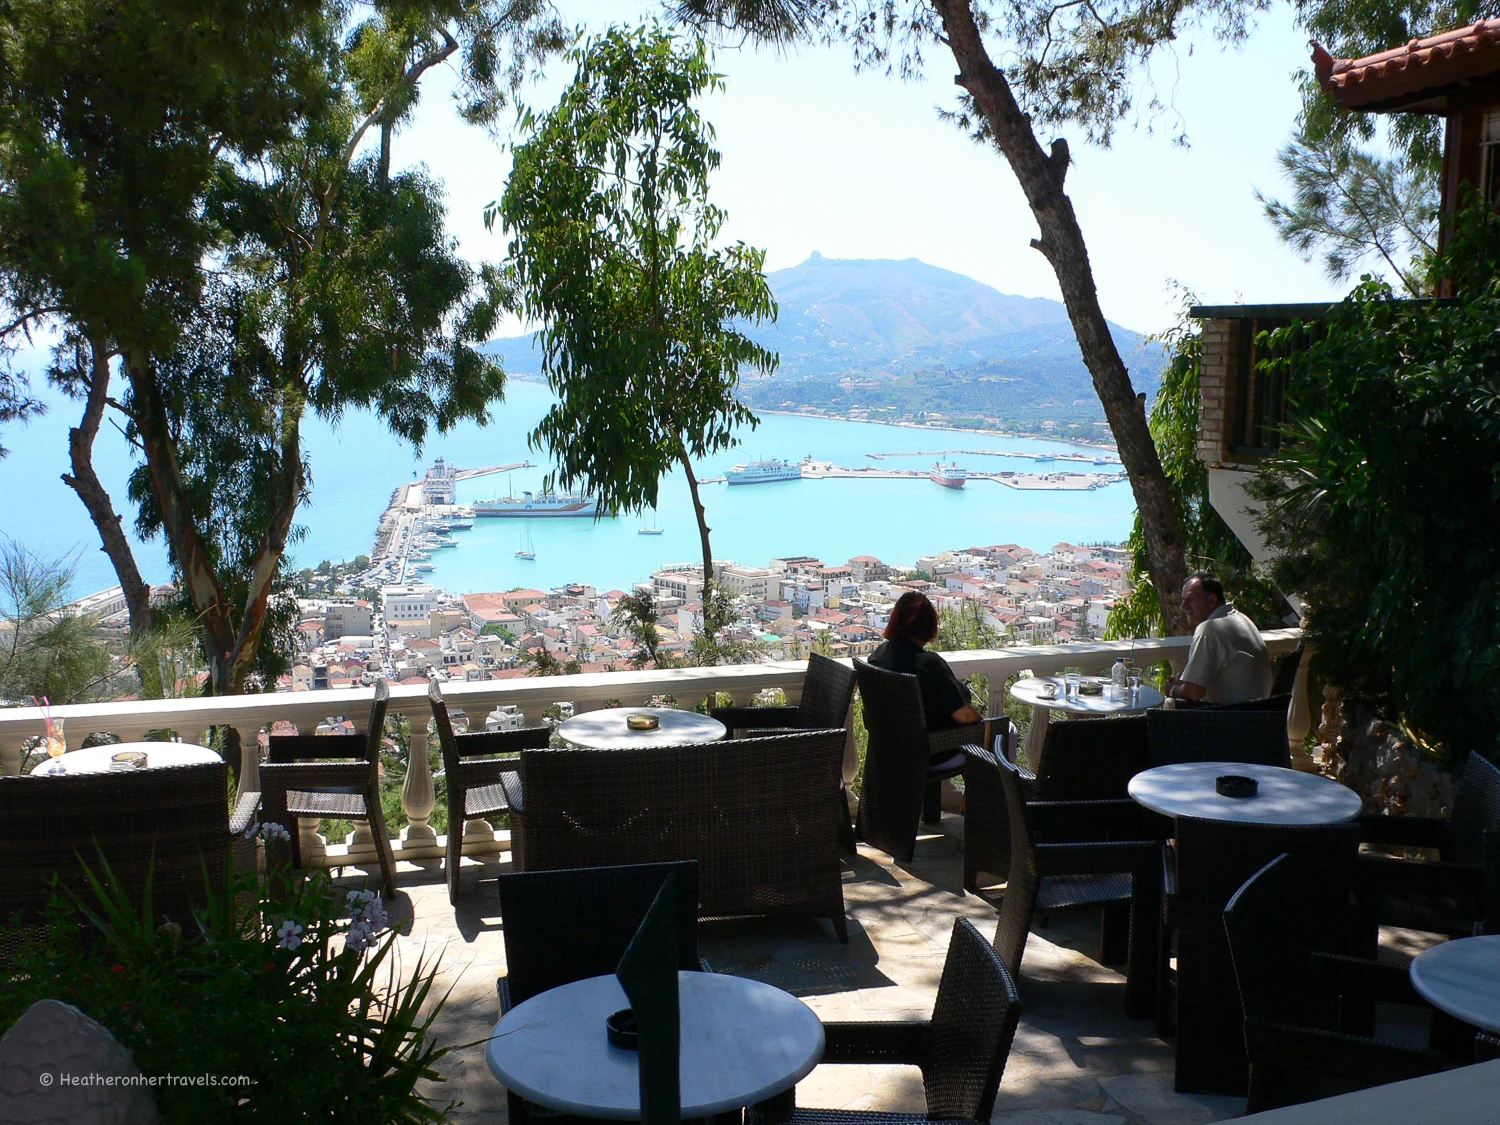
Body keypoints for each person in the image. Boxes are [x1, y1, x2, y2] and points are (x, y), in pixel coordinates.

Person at [869, 591, 983, 729]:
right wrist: (988, 724)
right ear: (929, 625)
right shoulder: (929, 665)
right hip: (935, 746)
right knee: (1007, 730)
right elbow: (965, 715)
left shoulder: (877, 656)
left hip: (887, 746)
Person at [1167, 572, 1273, 705]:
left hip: (1237, 719)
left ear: (1212, 601)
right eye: (1182, 600)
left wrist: (1172, 689)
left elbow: (1193, 692)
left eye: (1189, 599)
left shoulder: (1210, 628)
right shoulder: (1240, 619)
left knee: (1167, 706)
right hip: (1261, 714)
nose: (1183, 607)